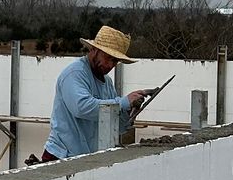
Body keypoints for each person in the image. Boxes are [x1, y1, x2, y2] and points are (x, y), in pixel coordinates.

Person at [29, 26, 160, 163]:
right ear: (94, 50)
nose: (110, 65)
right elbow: (81, 107)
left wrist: (129, 112)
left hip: (85, 158)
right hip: (61, 156)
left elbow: (113, 126)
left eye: (115, 61)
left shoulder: (107, 82)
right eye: (108, 58)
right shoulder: (75, 73)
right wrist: (123, 102)